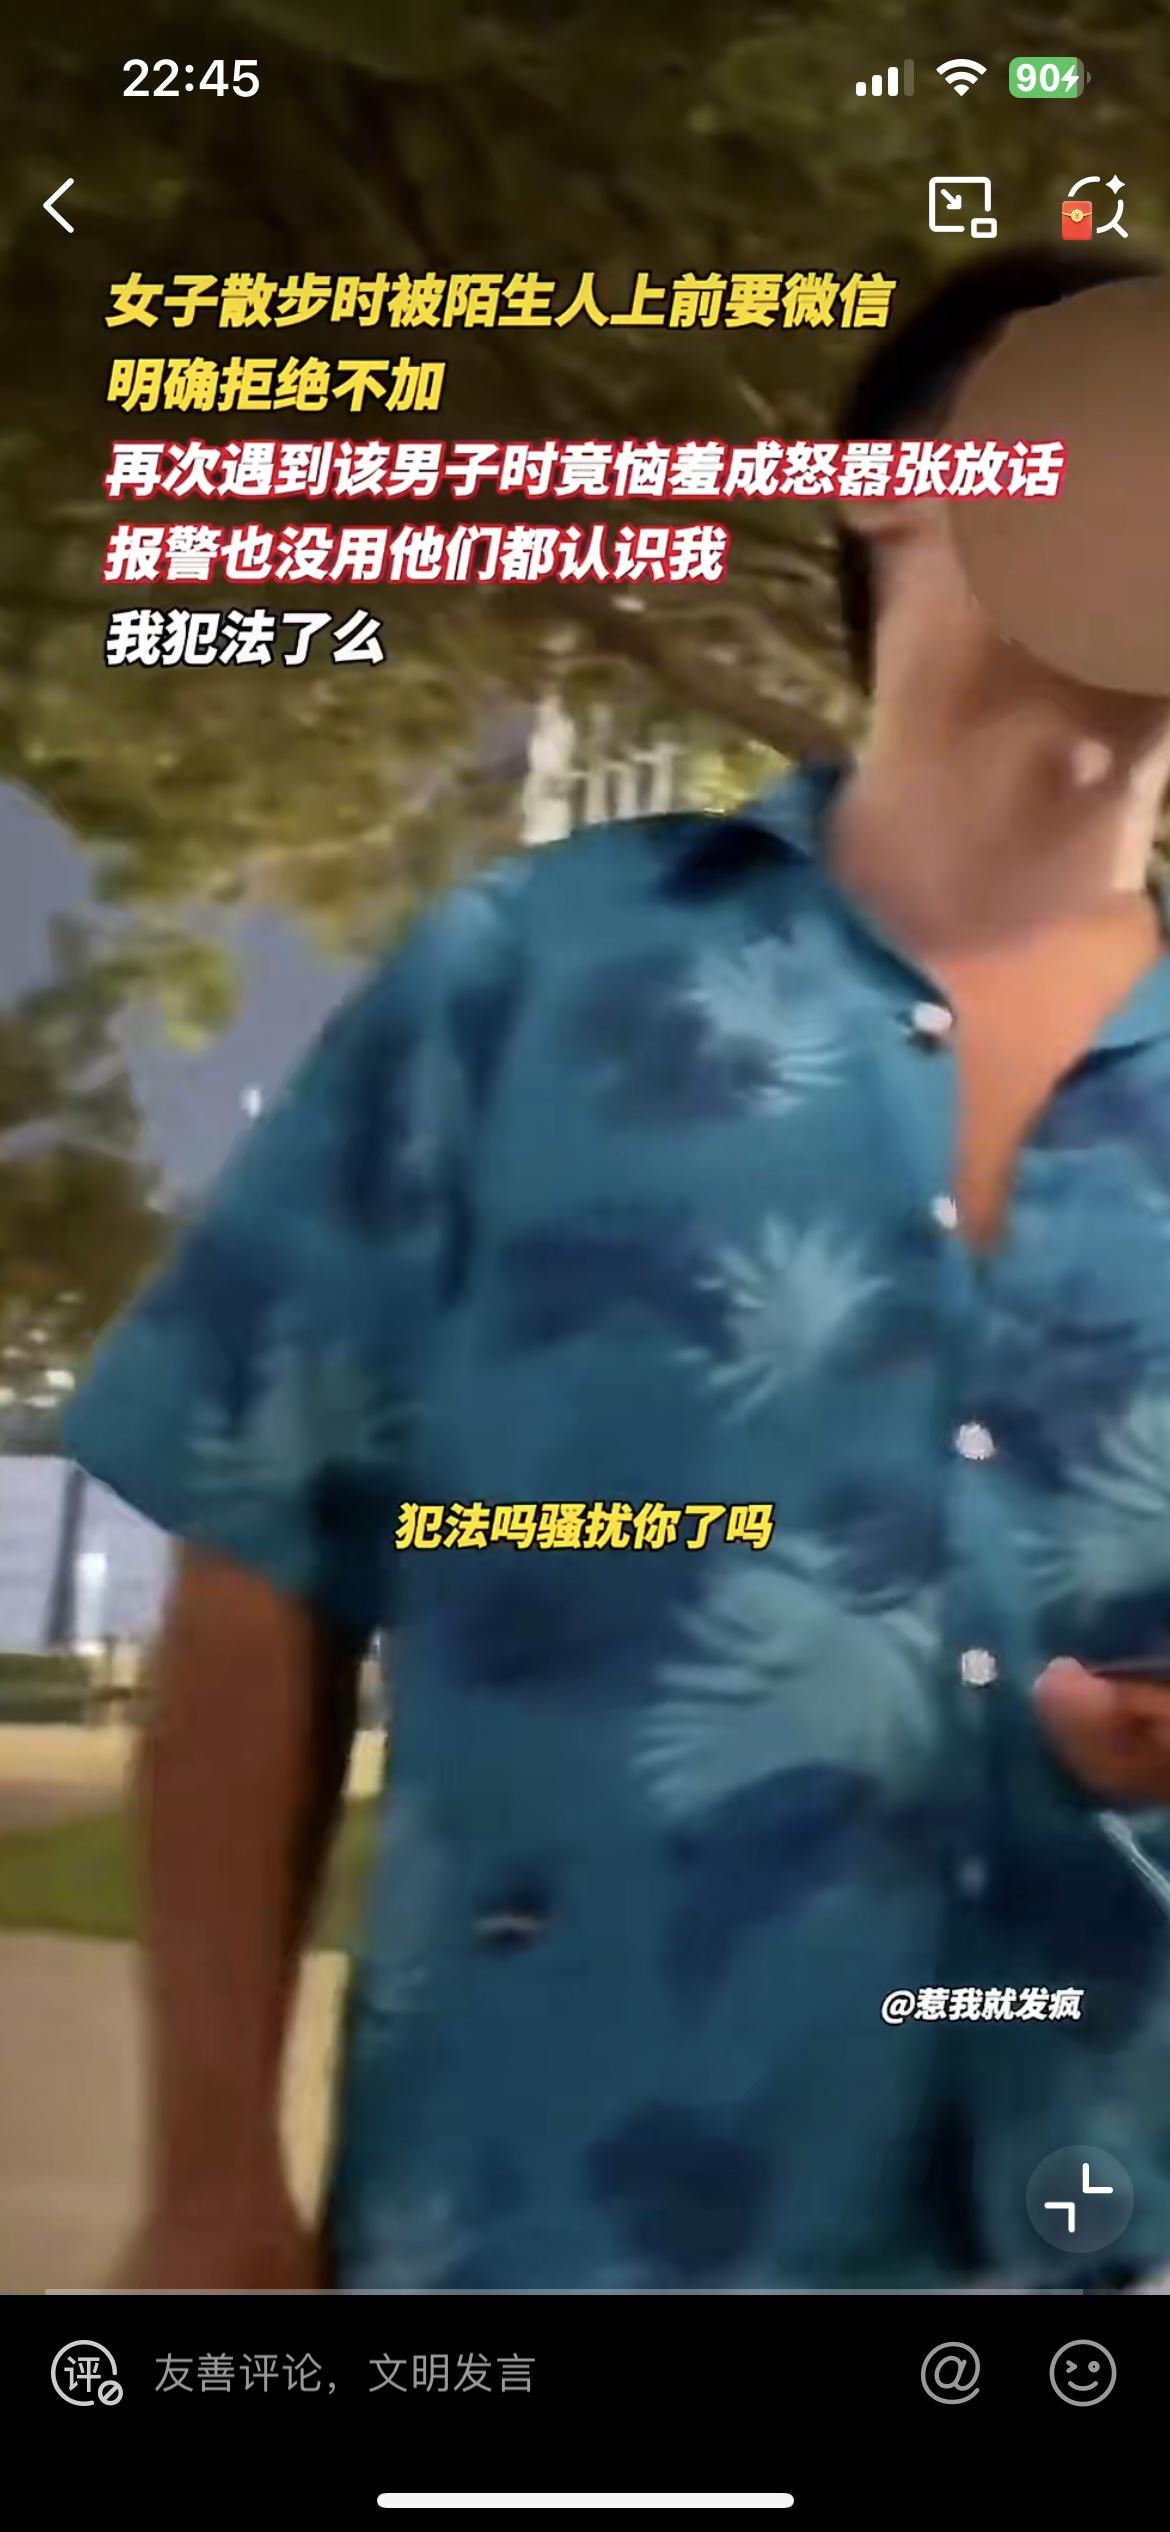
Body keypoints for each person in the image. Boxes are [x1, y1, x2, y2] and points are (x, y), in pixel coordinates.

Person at [63, 245, 1170, 2292]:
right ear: (891, 489)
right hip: (535, 2243)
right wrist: (209, 2177)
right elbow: (259, 1574)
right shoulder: (530, 977)